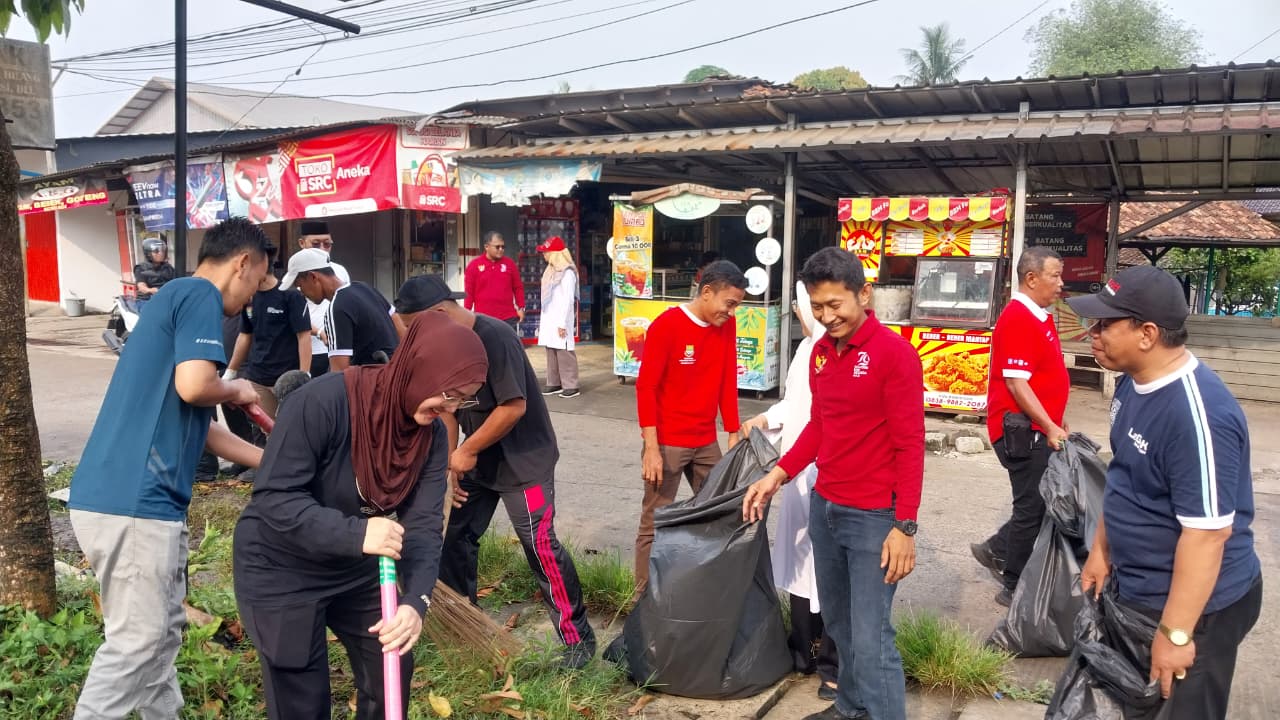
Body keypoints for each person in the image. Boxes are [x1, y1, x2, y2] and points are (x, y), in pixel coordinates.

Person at [233, 313, 488, 720]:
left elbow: (422, 527)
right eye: (449, 393)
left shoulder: (431, 437)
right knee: (300, 693)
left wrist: (415, 602)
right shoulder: (322, 403)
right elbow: (274, 500)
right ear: (418, 368)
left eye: (464, 399)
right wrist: (356, 534)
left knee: (390, 672)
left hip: (357, 568)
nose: (451, 407)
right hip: (281, 567)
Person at [67, 217, 272, 719]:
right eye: (256, 282)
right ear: (242, 263)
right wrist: (240, 388)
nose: (251, 299)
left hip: (122, 500)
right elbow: (197, 387)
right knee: (137, 644)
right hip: (136, 501)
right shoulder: (198, 295)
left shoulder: (173, 301)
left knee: (158, 638)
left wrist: (274, 463)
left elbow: (197, 420)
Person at [1068, 266, 1262, 720]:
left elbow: (1208, 535)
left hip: (1197, 610)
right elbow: (1126, 478)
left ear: (1147, 334)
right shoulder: (1133, 385)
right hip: (1140, 591)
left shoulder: (1199, 416)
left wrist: (1177, 635)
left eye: (1104, 325)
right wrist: (1101, 550)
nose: (1090, 334)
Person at [743, 247, 924, 720]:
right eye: (817, 307)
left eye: (835, 305)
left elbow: (911, 446)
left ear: (863, 294)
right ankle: (850, 707)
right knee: (840, 625)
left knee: (871, 634)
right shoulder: (821, 353)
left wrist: (905, 526)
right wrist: (777, 476)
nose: (827, 317)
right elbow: (819, 427)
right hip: (827, 507)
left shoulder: (895, 355)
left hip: (874, 519)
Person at [393, 274, 597, 669]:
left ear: (437, 313)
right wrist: (449, 462)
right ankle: (462, 620)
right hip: (479, 464)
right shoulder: (444, 343)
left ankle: (577, 641)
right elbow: (448, 412)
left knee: (539, 545)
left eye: (414, 327)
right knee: (455, 536)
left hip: (526, 464)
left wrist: (466, 450)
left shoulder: (496, 336)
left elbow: (513, 407)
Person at [739, 281, 838, 700]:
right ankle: (803, 647)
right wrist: (765, 418)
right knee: (799, 559)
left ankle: (834, 662)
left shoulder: (841, 353)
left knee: (830, 569)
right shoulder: (806, 351)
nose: (807, 315)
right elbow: (796, 406)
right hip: (796, 470)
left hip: (830, 473)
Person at [634, 260, 746, 594]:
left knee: (721, 513)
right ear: (707, 292)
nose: (731, 311)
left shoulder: (727, 325)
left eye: (736, 305)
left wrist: (733, 433)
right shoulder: (667, 325)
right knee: (655, 521)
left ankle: (706, 594)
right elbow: (646, 388)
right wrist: (651, 449)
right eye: (729, 303)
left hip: (705, 440)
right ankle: (643, 600)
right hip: (667, 443)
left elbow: (727, 379)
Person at [972, 246, 1070, 607]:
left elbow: (1044, 376)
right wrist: (1048, 425)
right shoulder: (1018, 318)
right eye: (1055, 276)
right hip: (1021, 432)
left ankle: (996, 548)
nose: (1061, 284)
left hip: (1039, 428)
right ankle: (1013, 584)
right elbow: (1016, 382)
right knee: (1033, 505)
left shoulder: (1039, 316)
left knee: (1039, 502)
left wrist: (1057, 420)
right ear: (1031, 278)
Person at [283, 248, 398, 371]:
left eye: (300, 286)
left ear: (313, 277)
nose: (302, 293)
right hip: (396, 377)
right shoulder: (364, 288)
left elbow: (338, 375)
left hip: (373, 384)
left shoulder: (336, 308)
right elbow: (399, 327)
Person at [225, 267, 312, 429]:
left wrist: (303, 375)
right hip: (257, 377)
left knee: (292, 429)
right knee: (266, 431)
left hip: (285, 377)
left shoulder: (290, 295)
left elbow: (304, 336)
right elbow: (245, 335)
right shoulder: (249, 298)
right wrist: (230, 372)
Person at [296, 220, 350, 376]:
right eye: (316, 244)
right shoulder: (295, 274)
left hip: (337, 350)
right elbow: (295, 317)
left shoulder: (340, 271)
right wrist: (319, 332)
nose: (322, 249)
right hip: (309, 352)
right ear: (302, 243)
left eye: (327, 244)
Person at [535, 235, 581, 398]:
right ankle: (554, 382)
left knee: (564, 350)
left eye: (546, 251)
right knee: (551, 349)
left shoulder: (567, 272)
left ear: (555, 253)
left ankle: (571, 385)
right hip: (549, 316)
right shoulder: (551, 270)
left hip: (562, 317)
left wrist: (562, 323)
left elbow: (568, 300)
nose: (544, 254)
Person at [464, 230, 525, 332]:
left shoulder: (510, 264)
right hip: (483, 319)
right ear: (486, 247)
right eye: (497, 247)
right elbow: (469, 293)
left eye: (503, 247)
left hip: (508, 318)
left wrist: (521, 307)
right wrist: (466, 314)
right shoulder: (474, 266)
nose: (501, 249)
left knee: (507, 347)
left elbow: (518, 287)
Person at [133, 237, 176, 305]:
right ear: (148, 253)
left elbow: (177, 281)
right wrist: (151, 290)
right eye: (156, 251)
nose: (161, 253)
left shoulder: (168, 267)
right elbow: (141, 286)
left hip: (165, 298)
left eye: (162, 250)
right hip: (147, 300)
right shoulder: (141, 268)